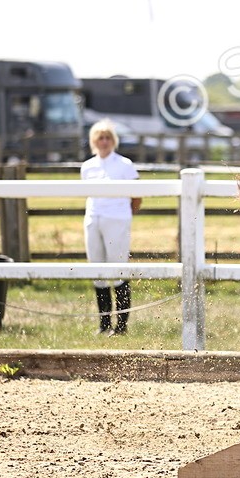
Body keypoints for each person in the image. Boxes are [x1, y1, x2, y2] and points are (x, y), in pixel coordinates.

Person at [81, 120, 140, 336]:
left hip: (117, 219)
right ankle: (104, 324)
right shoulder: (87, 167)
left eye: (107, 138)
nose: (104, 142)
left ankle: (121, 325)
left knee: (118, 269)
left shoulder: (125, 164)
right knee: (97, 269)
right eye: (100, 138)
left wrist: (125, 215)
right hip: (93, 218)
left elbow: (137, 196)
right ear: (94, 141)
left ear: (113, 141)